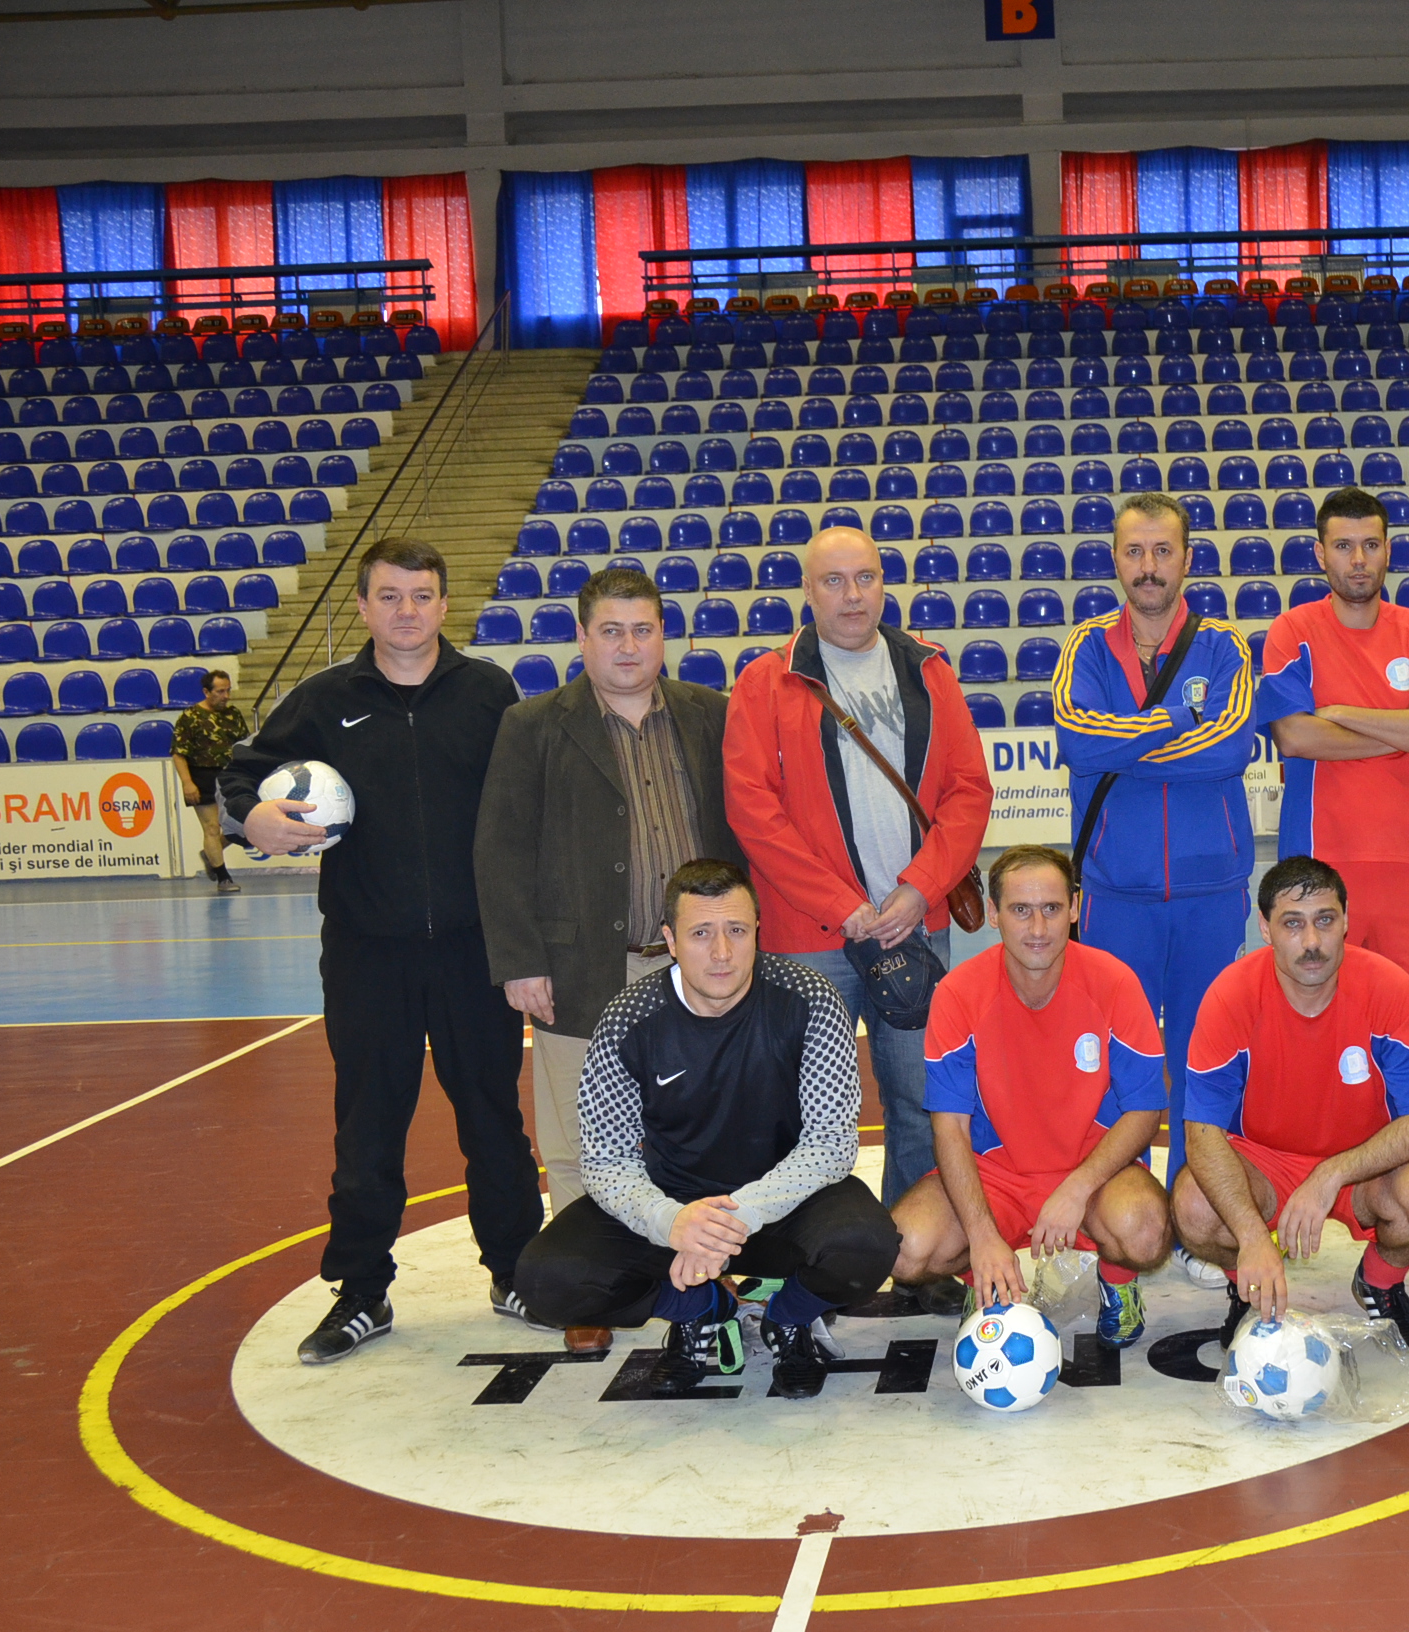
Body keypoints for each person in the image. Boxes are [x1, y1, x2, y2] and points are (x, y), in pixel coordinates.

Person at [223, 537, 540, 1365]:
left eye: (422, 595)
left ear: (445, 605)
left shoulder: (487, 692)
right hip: (367, 955)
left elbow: (526, 808)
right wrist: (252, 819)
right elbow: (240, 774)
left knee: (494, 1120)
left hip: (474, 952)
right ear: (362, 606)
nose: (407, 611)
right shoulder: (323, 700)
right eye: (390, 596)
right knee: (368, 1127)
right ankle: (361, 1291)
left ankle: (516, 1272)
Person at [475, 566, 743, 1355]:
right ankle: (588, 1285)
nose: (629, 646)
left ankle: (710, 1267)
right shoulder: (533, 726)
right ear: (583, 638)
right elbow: (500, 850)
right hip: (581, 966)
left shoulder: (709, 715)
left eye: (643, 629)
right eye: (612, 631)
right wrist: (521, 960)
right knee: (577, 1141)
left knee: (704, 1130)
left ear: (665, 636)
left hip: (695, 968)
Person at [513, 860, 901, 1398]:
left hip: (784, 1204)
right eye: (700, 934)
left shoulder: (809, 999)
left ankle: (788, 1317)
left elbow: (830, 1144)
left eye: (736, 930)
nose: (722, 952)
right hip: (677, 1207)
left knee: (868, 1245)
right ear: (670, 940)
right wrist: (671, 1222)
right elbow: (605, 1161)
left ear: (757, 930)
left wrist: (735, 1217)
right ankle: (701, 1307)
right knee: (546, 1281)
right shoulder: (628, 1019)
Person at [722, 527, 992, 1279]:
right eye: (834, 581)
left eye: (865, 578)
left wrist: (919, 888)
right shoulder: (764, 682)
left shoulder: (928, 670)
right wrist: (842, 904)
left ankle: (911, 1260)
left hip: (914, 930)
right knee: (801, 1111)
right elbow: (752, 810)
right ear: (808, 591)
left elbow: (969, 790)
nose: (852, 596)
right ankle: (800, 1268)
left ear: (883, 582)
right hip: (809, 936)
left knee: (920, 1104)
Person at [1053, 490, 1256, 1285]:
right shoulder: (1085, 646)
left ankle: (1198, 1213)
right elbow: (1076, 739)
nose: (1148, 567)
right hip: (1116, 892)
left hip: (1210, 891)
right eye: (1134, 551)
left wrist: (1128, 744)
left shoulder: (1226, 646)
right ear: (1115, 559)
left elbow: (1229, 749)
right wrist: (1176, 723)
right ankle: (1126, 1218)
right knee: (1121, 1064)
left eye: (1162, 551)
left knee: (1202, 1057)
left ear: (1187, 559)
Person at [889, 845, 1171, 1346]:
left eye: (1051, 908)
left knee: (1145, 1232)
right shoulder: (958, 993)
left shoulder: (1114, 982)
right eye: (1020, 910)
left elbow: (1146, 1110)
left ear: (1075, 908)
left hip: (1092, 1172)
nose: (1038, 928)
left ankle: (1118, 1283)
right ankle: (983, 1279)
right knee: (906, 1249)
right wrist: (981, 1237)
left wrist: (1078, 1187)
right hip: (995, 1176)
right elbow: (949, 1128)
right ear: (993, 913)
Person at [1173, 856, 1409, 1350]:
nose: (1311, 942)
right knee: (1194, 1206)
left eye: (1325, 920)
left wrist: (1330, 1174)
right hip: (1263, 1162)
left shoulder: (1389, 987)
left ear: (1346, 921)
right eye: (1292, 924)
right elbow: (1202, 1135)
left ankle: (1380, 1281)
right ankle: (1248, 1285)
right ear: (1265, 929)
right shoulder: (1231, 995)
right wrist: (1252, 1238)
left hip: (1363, 1163)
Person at [1257, 487, 1409, 1028]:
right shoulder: (1293, 632)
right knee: (1318, 1030)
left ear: (1388, 550)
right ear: (1320, 553)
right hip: (1318, 869)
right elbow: (1296, 737)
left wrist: (1341, 713)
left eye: (1370, 545)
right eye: (1343, 546)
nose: (1358, 560)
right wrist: (1405, 726)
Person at [170, 667, 248, 893]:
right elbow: (178, 753)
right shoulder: (190, 717)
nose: (226, 696)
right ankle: (223, 877)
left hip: (230, 775)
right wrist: (187, 782)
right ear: (206, 692)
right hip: (202, 775)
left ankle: (210, 854)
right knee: (212, 828)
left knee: (242, 825)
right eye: (220, 691)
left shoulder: (233, 715)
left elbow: (244, 745)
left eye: (228, 690)